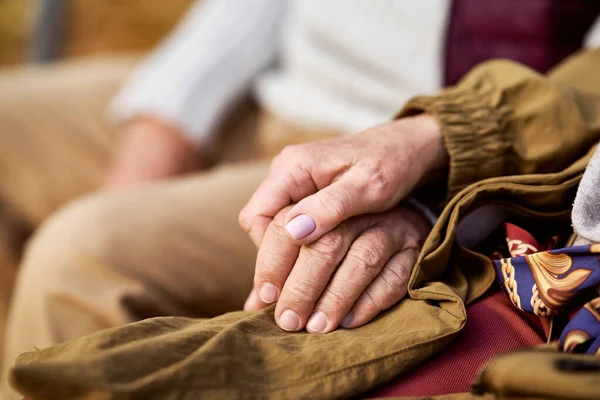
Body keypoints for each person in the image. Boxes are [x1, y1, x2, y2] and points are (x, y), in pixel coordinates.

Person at [2, 1, 600, 398]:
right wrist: (169, 119)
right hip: (277, 83)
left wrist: (439, 172)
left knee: (84, 252)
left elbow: (579, 93)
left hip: (402, 140)